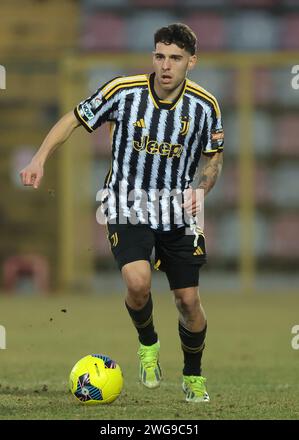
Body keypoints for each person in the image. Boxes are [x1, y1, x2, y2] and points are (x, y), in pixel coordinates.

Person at [20, 23, 224, 403]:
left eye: (175, 58)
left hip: (177, 210)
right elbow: (73, 119)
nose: (166, 66)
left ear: (191, 62)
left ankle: (193, 376)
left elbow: (214, 157)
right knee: (137, 281)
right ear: (153, 57)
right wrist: (39, 157)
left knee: (188, 302)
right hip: (126, 202)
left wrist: (202, 188)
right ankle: (148, 345)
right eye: (160, 56)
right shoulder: (122, 92)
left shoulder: (204, 106)